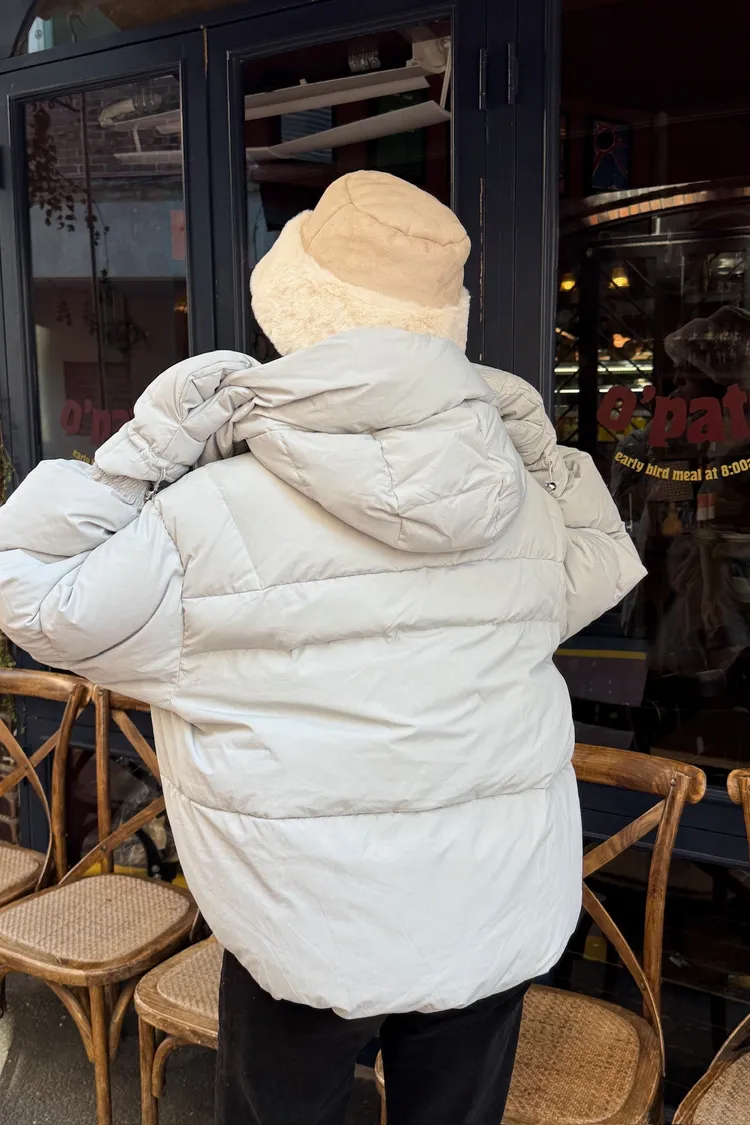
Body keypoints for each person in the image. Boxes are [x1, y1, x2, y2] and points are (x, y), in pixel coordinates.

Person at [0, 171, 645, 1125]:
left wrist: (145, 448)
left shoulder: (204, 515)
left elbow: (30, 589)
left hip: (305, 925)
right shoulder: (520, 508)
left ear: (294, 305)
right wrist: (532, 440)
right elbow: (602, 561)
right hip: (493, 909)